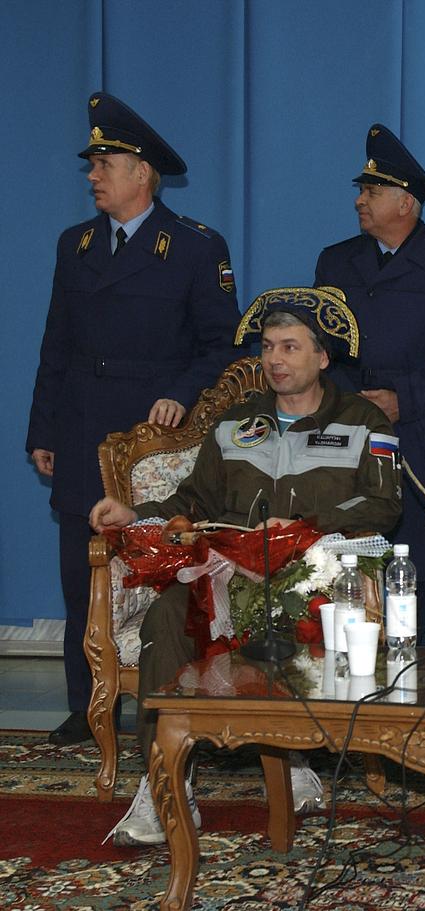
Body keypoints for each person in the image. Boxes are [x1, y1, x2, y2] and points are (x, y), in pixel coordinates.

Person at [90, 296, 403, 846]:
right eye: (267, 347)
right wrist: (134, 513)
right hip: (228, 570)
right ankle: (163, 777)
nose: (275, 360)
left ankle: (293, 754)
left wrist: (302, 526)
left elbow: (383, 505)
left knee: (293, 622)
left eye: (290, 347)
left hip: (316, 567)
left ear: (323, 357)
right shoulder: (237, 422)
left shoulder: (364, 420)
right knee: (166, 619)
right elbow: (193, 499)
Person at [26, 92, 242, 747]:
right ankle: (83, 704)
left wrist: (180, 391)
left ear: (141, 174)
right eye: (93, 165)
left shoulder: (196, 248)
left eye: (105, 164)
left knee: (162, 578)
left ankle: (169, 704)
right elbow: (56, 342)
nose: (93, 176)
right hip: (84, 430)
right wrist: (41, 430)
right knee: (80, 575)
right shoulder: (77, 244)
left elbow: (223, 343)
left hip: (158, 449)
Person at [315, 123, 425, 632]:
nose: (360, 201)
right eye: (362, 191)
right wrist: (350, 403)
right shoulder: (336, 260)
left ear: (406, 203)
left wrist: (401, 400)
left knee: (415, 553)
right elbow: (322, 347)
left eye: (372, 191)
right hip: (342, 426)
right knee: (339, 549)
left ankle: (424, 667)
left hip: (416, 431)